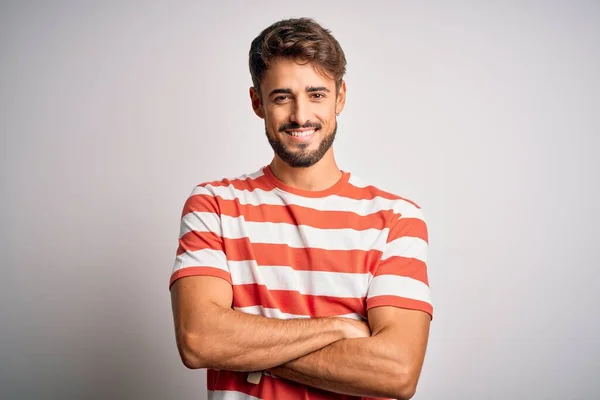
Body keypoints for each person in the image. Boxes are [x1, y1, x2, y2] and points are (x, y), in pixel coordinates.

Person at [169, 17, 433, 400]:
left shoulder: (396, 219)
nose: (300, 115)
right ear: (257, 102)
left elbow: (397, 372)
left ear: (340, 97)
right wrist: (338, 328)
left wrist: (244, 347)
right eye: (281, 97)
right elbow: (198, 339)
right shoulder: (214, 205)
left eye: (317, 94)